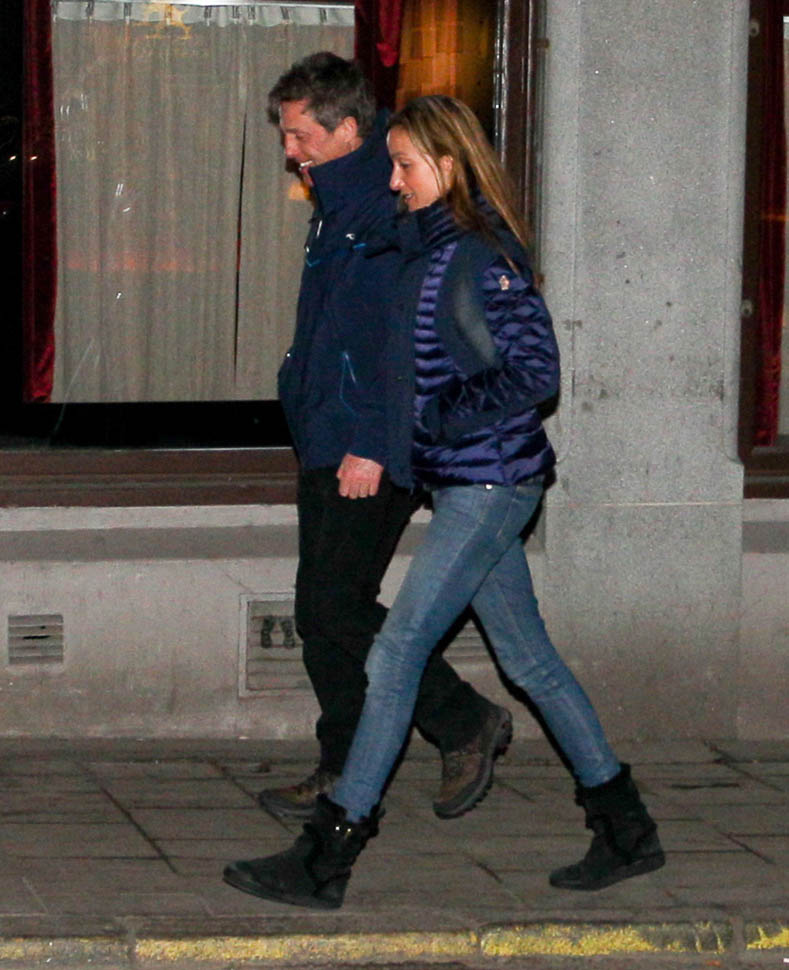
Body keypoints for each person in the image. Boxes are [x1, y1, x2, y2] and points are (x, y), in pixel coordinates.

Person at [224, 94, 666, 910]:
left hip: (488, 484)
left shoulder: (479, 254)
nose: (394, 181)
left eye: (405, 166)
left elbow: (534, 372)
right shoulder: (430, 245)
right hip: (467, 480)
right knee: (528, 662)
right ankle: (625, 828)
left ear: (449, 165)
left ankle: (329, 853)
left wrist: (433, 420)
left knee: (394, 653)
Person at [259, 55, 510, 823]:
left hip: (372, 444)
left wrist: (372, 441)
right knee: (319, 613)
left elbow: (400, 343)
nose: (289, 150)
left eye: (300, 135)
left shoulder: (385, 206)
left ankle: (463, 720)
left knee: (339, 605)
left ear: (346, 129)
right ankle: (342, 767)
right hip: (326, 432)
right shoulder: (335, 199)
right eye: (284, 134)